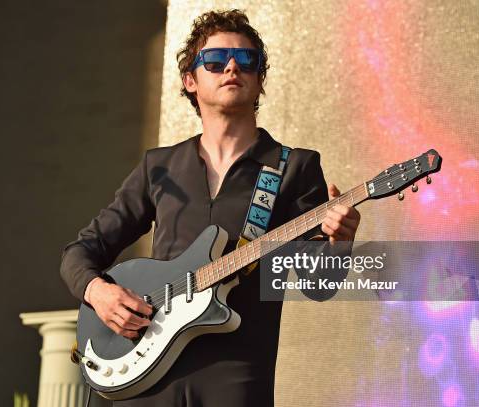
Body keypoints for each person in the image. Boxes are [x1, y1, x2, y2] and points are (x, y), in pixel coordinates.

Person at [61, 9, 361, 407]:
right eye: (216, 61)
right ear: (191, 80)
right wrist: (99, 293)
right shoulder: (160, 166)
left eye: (247, 61)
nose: (232, 67)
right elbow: (80, 253)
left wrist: (340, 241)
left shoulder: (295, 168)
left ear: (259, 81)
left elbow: (317, 284)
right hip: (147, 366)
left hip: (236, 370)